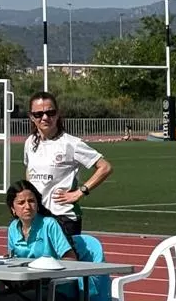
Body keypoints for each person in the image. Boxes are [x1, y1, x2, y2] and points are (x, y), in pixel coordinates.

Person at [23, 91, 112, 239]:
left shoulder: (71, 143)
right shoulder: (30, 142)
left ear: (57, 114)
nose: (45, 118)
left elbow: (105, 167)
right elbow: (29, 171)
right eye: (38, 114)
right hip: (37, 216)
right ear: (32, 117)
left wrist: (80, 192)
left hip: (63, 217)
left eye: (50, 112)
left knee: (64, 262)